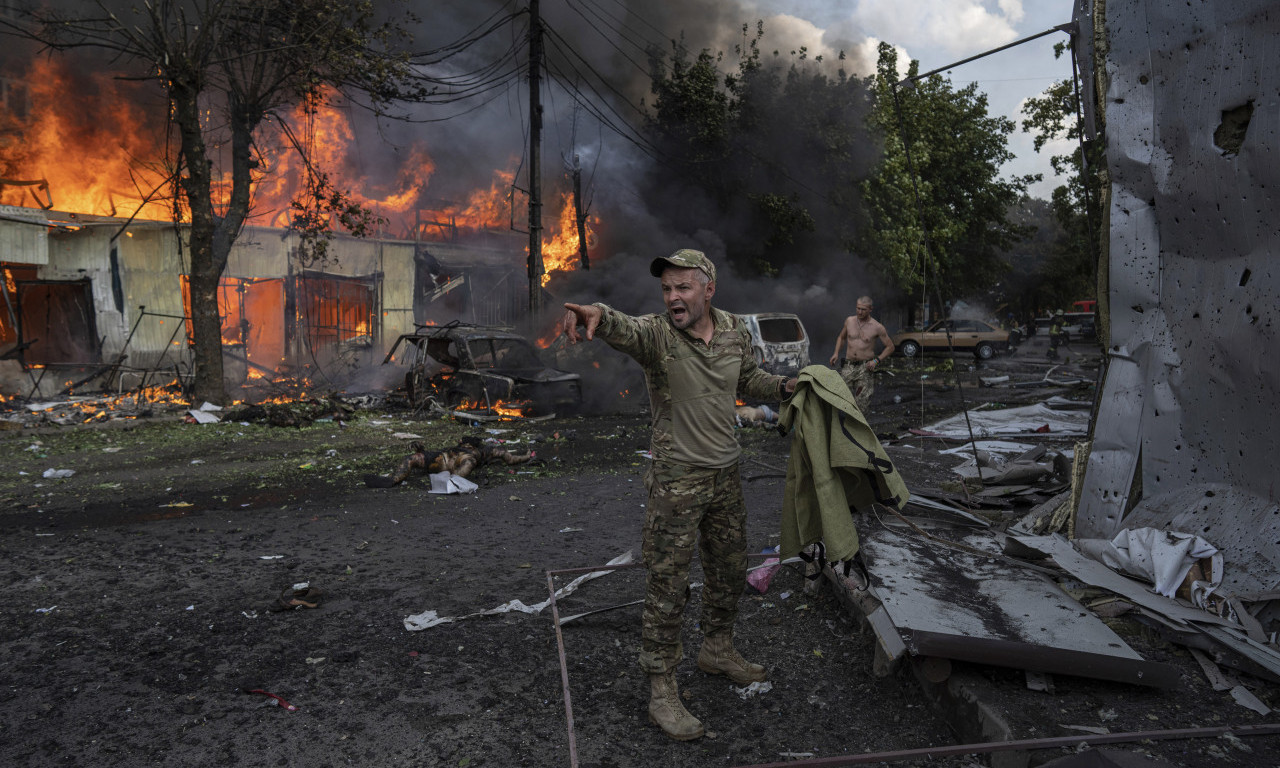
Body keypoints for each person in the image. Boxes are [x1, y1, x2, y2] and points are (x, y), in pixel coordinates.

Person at [560, 248, 796, 742]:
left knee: (729, 570)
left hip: (726, 476)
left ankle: (717, 648)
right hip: (676, 481)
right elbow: (621, 326)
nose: (673, 297)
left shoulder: (733, 328)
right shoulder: (657, 335)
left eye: (683, 287)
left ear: (709, 288)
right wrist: (595, 317)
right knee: (668, 585)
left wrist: (789, 386)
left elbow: (748, 379)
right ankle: (662, 688)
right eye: (667, 289)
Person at [827, 296, 895, 413]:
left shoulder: (877, 327)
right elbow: (841, 337)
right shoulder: (849, 321)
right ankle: (842, 428)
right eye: (858, 308)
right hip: (848, 366)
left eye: (863, 309)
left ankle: (858, 428)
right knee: (841, 398)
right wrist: (836, 353)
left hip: (865, 368)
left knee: (862, 403)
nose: (859, 312)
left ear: (870, 309)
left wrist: (876, 361)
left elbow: (890, 347)